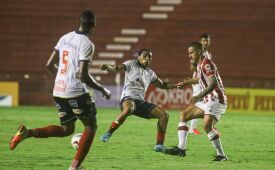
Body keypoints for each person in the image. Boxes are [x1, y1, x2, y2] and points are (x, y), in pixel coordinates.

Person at [9, 10, 111, 170]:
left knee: (67, 129)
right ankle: (74, 167)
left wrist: (63, 78)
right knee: (91, 126)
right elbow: (82, 75)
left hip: (58, 90)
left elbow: (49, 64)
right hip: (75, 91)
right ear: (94, 25)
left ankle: (27, 133)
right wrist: (102, 89)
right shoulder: (87, 44)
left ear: (79, 22)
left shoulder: (65, 37)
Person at [99, 48, 177, 152]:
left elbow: (162, 85)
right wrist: (107, 67)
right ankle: (108, 133)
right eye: (145, 55)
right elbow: (116, 68)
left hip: (140, 102)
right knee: (129, 108)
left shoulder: (150, 73)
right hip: (128, 98)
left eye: (150, 56)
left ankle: (159, 145)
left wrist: (177, 85)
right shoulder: (130, 64)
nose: (148, 58)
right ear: (138, 57)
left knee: (164, 115)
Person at [164, 42, 228, 161]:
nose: (190, 55)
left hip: (216, 99)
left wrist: (198, 96)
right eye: (189, 53)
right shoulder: (199, 64)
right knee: (184, 115)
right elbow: (199, 79)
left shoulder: (207, 63)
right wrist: (185, 83)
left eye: (192, 52)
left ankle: (222, 155)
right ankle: (181, 149)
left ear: (199, 51)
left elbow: (213, 82)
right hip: (207, 100)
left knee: (206, 125)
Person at [188, 62, 201, 135]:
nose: (190, 67)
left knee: (195, 113)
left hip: (199, 95)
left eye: (191, 65)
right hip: (196, 95)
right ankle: (191, 129)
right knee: (195, 113)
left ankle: (192, 129)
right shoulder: (195, 73)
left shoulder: (199, 73)